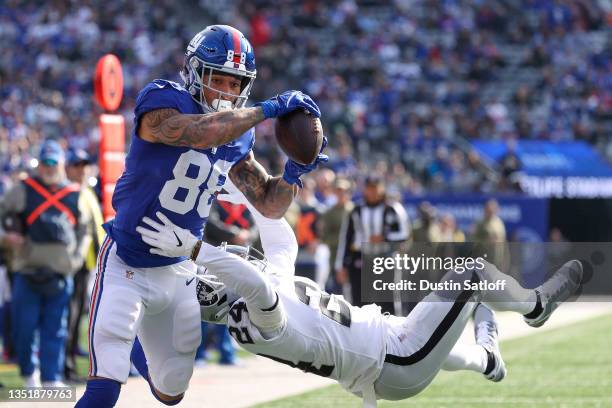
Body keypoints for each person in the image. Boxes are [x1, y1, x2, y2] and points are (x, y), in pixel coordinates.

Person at [136, 181, 584, 408]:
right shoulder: (248, 321)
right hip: (392, 360)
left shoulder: (253, 294)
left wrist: (242, 187)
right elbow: (256, 283)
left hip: (385, 342)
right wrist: (198, 249)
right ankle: (535, 305)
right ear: (218, 291)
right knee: (469, 273)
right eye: (229, 261)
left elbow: (282, 244)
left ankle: (488, 357)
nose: (240, 254)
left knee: (440, 331)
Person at [76, 24, 326, 408]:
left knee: (171, 393)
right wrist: (268, 109)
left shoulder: (239, 134)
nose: (228, 92)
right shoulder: (164, 100)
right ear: (195, 72)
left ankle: (138, 344)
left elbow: (269, 204)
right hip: (127, 259)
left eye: (236, 84)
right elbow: (200, 134)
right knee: (105, 385)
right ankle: (122, 346)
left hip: (179, 270)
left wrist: (293, 172)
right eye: (220, 80)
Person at [0, 139, 92, 387]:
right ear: (39, 163)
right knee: (25, 328)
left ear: (62, 163)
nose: (49, 167)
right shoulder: (21, 189)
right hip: (27, 270)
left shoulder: (75, 193)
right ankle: (30, 374)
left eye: (54, 162)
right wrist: (5, 237)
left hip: (61, 273)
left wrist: (76, 259)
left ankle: (51, 378)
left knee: (57, 328)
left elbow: (85, 231)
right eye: (45, 162)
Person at [335, 175, 410, 311]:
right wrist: (341, 265)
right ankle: (361, 332)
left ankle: (390, 332)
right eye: (369, 188)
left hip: (385, 258)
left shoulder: (392, 208)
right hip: (360, 259)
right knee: (359, 303)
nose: (372, 192)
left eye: (375, 188)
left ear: (382, 188)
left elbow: (404, 235)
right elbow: (346, 238)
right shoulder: (356, 210)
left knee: (388, 303)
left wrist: (385, 238)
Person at [64, 148, 104, 382]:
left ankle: (67, 366)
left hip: (86, 264)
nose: (81, 169)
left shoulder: (86, 190)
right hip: (73, 264)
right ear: (68, 167)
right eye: (76, 165)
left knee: (76, 316)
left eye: (84, 164)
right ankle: (64, 368)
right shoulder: (68, 192)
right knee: (68, 318)